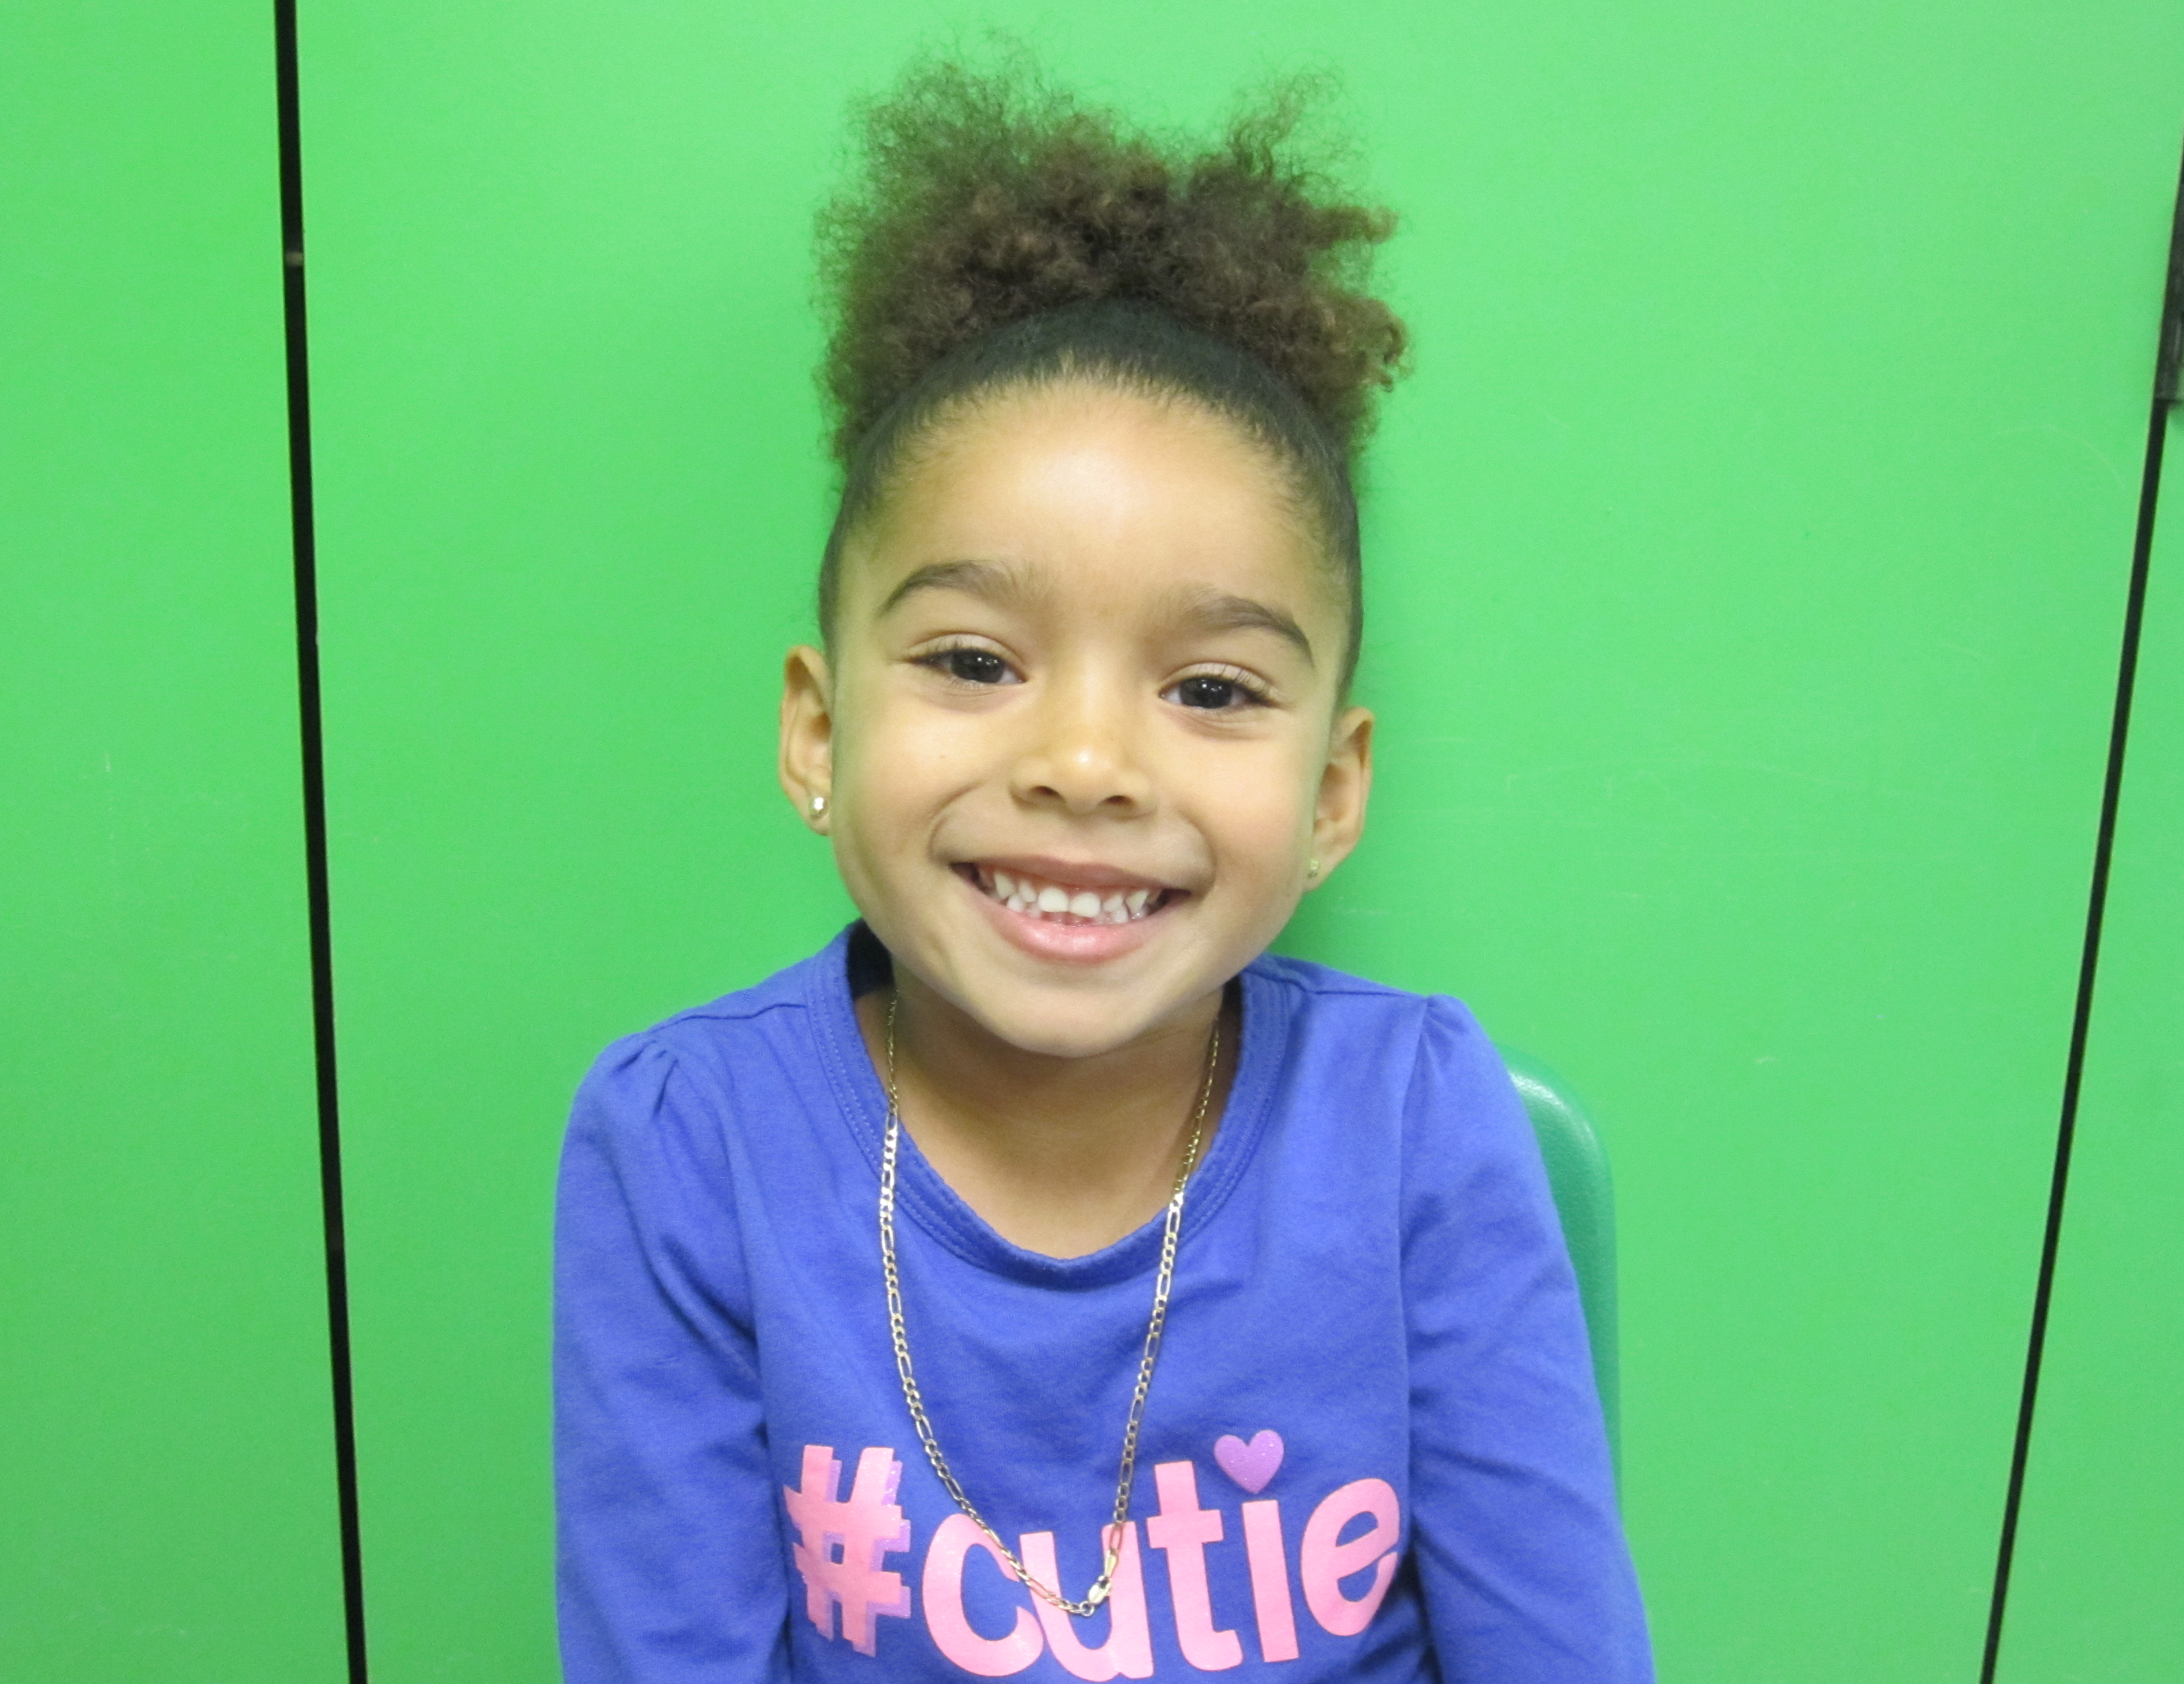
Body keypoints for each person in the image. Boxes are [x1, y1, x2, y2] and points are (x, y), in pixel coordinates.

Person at [554, 56, 1653, 1682]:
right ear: (817, 732)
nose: (1084, 762)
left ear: (1332, 793)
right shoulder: (686, 1143)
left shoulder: (1422, 1125)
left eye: (1210, 689)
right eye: (973, 661)